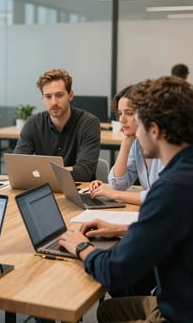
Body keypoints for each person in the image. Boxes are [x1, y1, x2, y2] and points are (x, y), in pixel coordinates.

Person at [59, 76, 193, 323]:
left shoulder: (171, 187)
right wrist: (119, 229)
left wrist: (80, 246)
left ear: (154, 130)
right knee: (108, 311)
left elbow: (114, 271)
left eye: (138, 124)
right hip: (178, 296)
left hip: (179, 311)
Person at [14, 68, 100, 182]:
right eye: (48, 96)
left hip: (79, 190)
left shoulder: (89, 123)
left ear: (70, 95)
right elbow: (18, 166)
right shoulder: (33, 123)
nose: (54, 102)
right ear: (43, 98)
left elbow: (84, 172)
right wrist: (63, 171)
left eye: (59, 95)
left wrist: (42, 172)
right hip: (44, 189)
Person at [89, 85, 164, 205]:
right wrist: (126, 143)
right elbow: (117, 185)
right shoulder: (136, 144)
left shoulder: (165, 146)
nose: (122, 119)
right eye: (119, 113)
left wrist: (114, 194)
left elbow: (162, 195)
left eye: (129, 113)